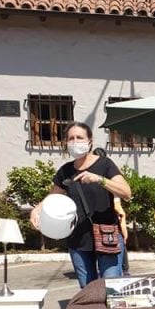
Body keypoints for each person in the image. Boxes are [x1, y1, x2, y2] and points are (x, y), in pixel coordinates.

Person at [30, 122, 132, 288]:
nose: (75, 141)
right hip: (78, 239)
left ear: (90, 141)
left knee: (112, 288)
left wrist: (100, 180)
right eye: (71, 138)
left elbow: (126, 193)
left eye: (80, 137)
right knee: (88, 290)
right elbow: (53, 195)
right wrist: (37, 209)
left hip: (107, 235)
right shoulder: (65, 171)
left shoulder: (105, 165)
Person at [114, 197, 130, 276]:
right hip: (115, 230)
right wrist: (124, 233)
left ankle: (124, 270)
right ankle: (125, 271)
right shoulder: (115, 196)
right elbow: (120, 213)